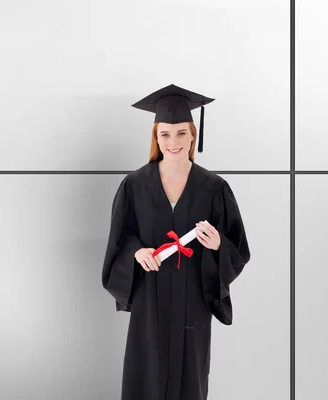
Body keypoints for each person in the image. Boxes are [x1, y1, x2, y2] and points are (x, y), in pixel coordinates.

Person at [101, 84, 251, 400]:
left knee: (190, 378)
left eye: (181, 133)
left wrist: (217, 245)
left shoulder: (213, 187)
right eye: (166, 134)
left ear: (193, 135)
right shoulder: (134, 185)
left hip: (192, 300)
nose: (173, 142)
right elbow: (120, 241)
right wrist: (137, 252)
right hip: (149, 299)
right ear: (156, 136)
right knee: (146, 374)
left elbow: (237, 248)